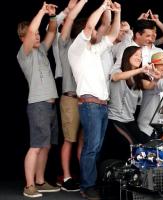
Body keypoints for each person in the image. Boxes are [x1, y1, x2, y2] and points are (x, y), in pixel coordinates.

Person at [67, 0, 120, 198]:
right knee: (91, 147)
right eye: (96, 31)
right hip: (89, 104)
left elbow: (113, 35)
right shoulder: (77, 48)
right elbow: (91, 26)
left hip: (101, 105)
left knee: (96, 147)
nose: (100, 32)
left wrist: (117, 12)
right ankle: (87, 186)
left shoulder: (95, 50)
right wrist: (101, 8)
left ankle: (91, 183)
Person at [17, 2, 61, 198]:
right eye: (32, 34)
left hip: (51, 105)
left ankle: (40, 181)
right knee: (36, 146)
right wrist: (41, 11)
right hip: (38, 105)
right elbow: (33, 29)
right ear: (23, 38)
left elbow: (51, 31)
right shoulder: (24, 54)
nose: (36, 36)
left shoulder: (42, 50)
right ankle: (29, 186)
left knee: (46, 145)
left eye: (37, 34)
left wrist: (51, 16)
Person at [57, 0, 88, 192]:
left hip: (87, 100)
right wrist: (81, 3)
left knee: (84, 142)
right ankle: (67, 177)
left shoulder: (90, 49)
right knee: (70, 139)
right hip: (70, 99)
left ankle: (85, 177)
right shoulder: (66, 44)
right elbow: (68, 21)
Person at [104, 46, 153, 161]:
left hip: (130, 120)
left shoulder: (137, 78)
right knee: (131, 146)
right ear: (127, 56)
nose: (139, 58)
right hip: (115, 119)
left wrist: (156, 78)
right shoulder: (118, 71)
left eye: (140, 56)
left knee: (145, 143)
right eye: (136, 55)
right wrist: (141, 70)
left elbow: (151, 86)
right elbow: (116, 77)